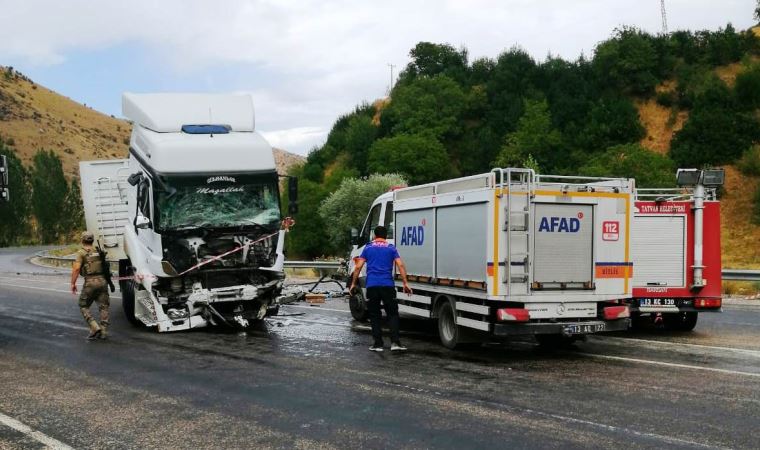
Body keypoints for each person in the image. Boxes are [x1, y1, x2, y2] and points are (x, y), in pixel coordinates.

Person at [349, 225, 413, 352]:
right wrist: (405, 283)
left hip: (372, 285)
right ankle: (395, 342)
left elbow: (358, 267)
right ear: (385, 236)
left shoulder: (368, 248)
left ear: (374, 235)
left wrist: (353, 283)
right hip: (387, 285)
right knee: (392, 314)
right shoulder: (391, 248)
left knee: (374, 314)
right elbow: (400, 264)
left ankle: (378, 344)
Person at [70, 231, 110, 340]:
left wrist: (73, 283)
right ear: (92, 240)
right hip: (102, 281)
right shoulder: (99, 251)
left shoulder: (81, 253)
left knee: (83, 305)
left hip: (90, 282)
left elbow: (77, 268)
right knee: (104, 306)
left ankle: (94, 326)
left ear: (82, 240)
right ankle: (104, 331)